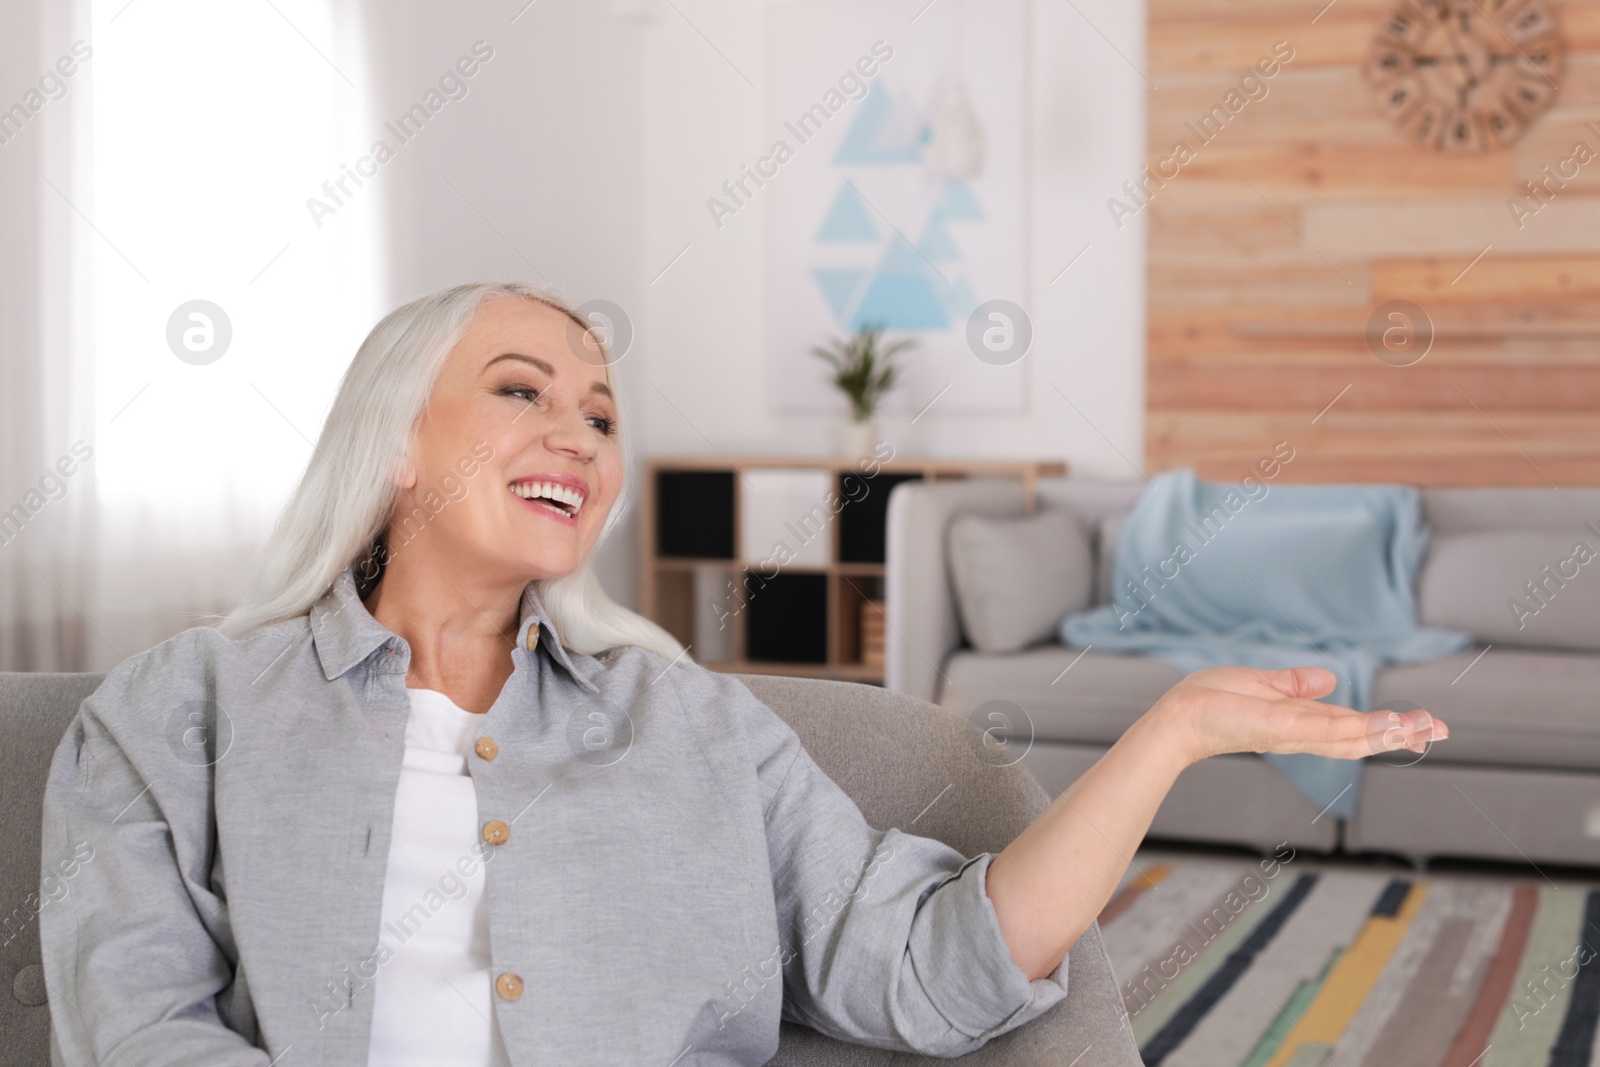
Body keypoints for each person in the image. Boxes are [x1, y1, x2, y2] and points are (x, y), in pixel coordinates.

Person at [38, 282, 1444, 1065]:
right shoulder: (179, 710)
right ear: (394, 442)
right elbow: (138, 1027)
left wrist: (1172, 734)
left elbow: (929, 970)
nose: (581, 436)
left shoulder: (694, 726)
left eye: (600, 412)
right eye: (522, 389)